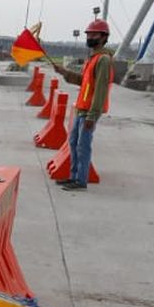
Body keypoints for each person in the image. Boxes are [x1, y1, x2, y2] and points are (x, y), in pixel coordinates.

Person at [52, 18, 114, 191]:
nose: (90, 37)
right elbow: (83, 81)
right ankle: (73, 176)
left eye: (94, 34)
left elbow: (100, 90)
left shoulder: (103, 60)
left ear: (103, 37)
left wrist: (93, 116)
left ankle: (80, 180)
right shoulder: (92, 58)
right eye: (89, 34)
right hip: (82, 108)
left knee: (83, 146)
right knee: (73, 143)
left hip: (89, 111)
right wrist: (64, 72)